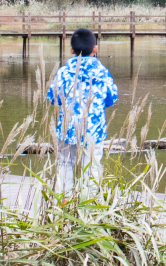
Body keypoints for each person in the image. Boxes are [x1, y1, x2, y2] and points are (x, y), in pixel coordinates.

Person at [45, 28, 117, 193]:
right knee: (92, 166)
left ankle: (64, 201)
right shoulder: (102, 72)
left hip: (67, 128)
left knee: (64, 165)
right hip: (93, 129)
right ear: (95, 49)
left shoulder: (64, 72)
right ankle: (90, 206)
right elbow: (112, 97)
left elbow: (53, 97)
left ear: (71, 50)